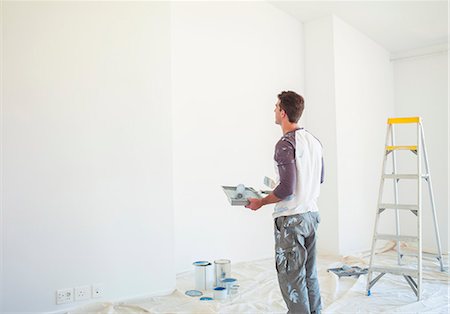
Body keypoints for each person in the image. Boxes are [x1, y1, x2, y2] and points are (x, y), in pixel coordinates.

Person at [246, 91, 324, 314]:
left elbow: (287, 190)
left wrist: (261, 201)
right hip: (311, 215)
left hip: (291, 220)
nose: (274, 110)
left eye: (276, 106)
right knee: (309, 275)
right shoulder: (314, 142)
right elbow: (318, 178)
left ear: (283, 112)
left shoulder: (284, 144)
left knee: (292, 279)